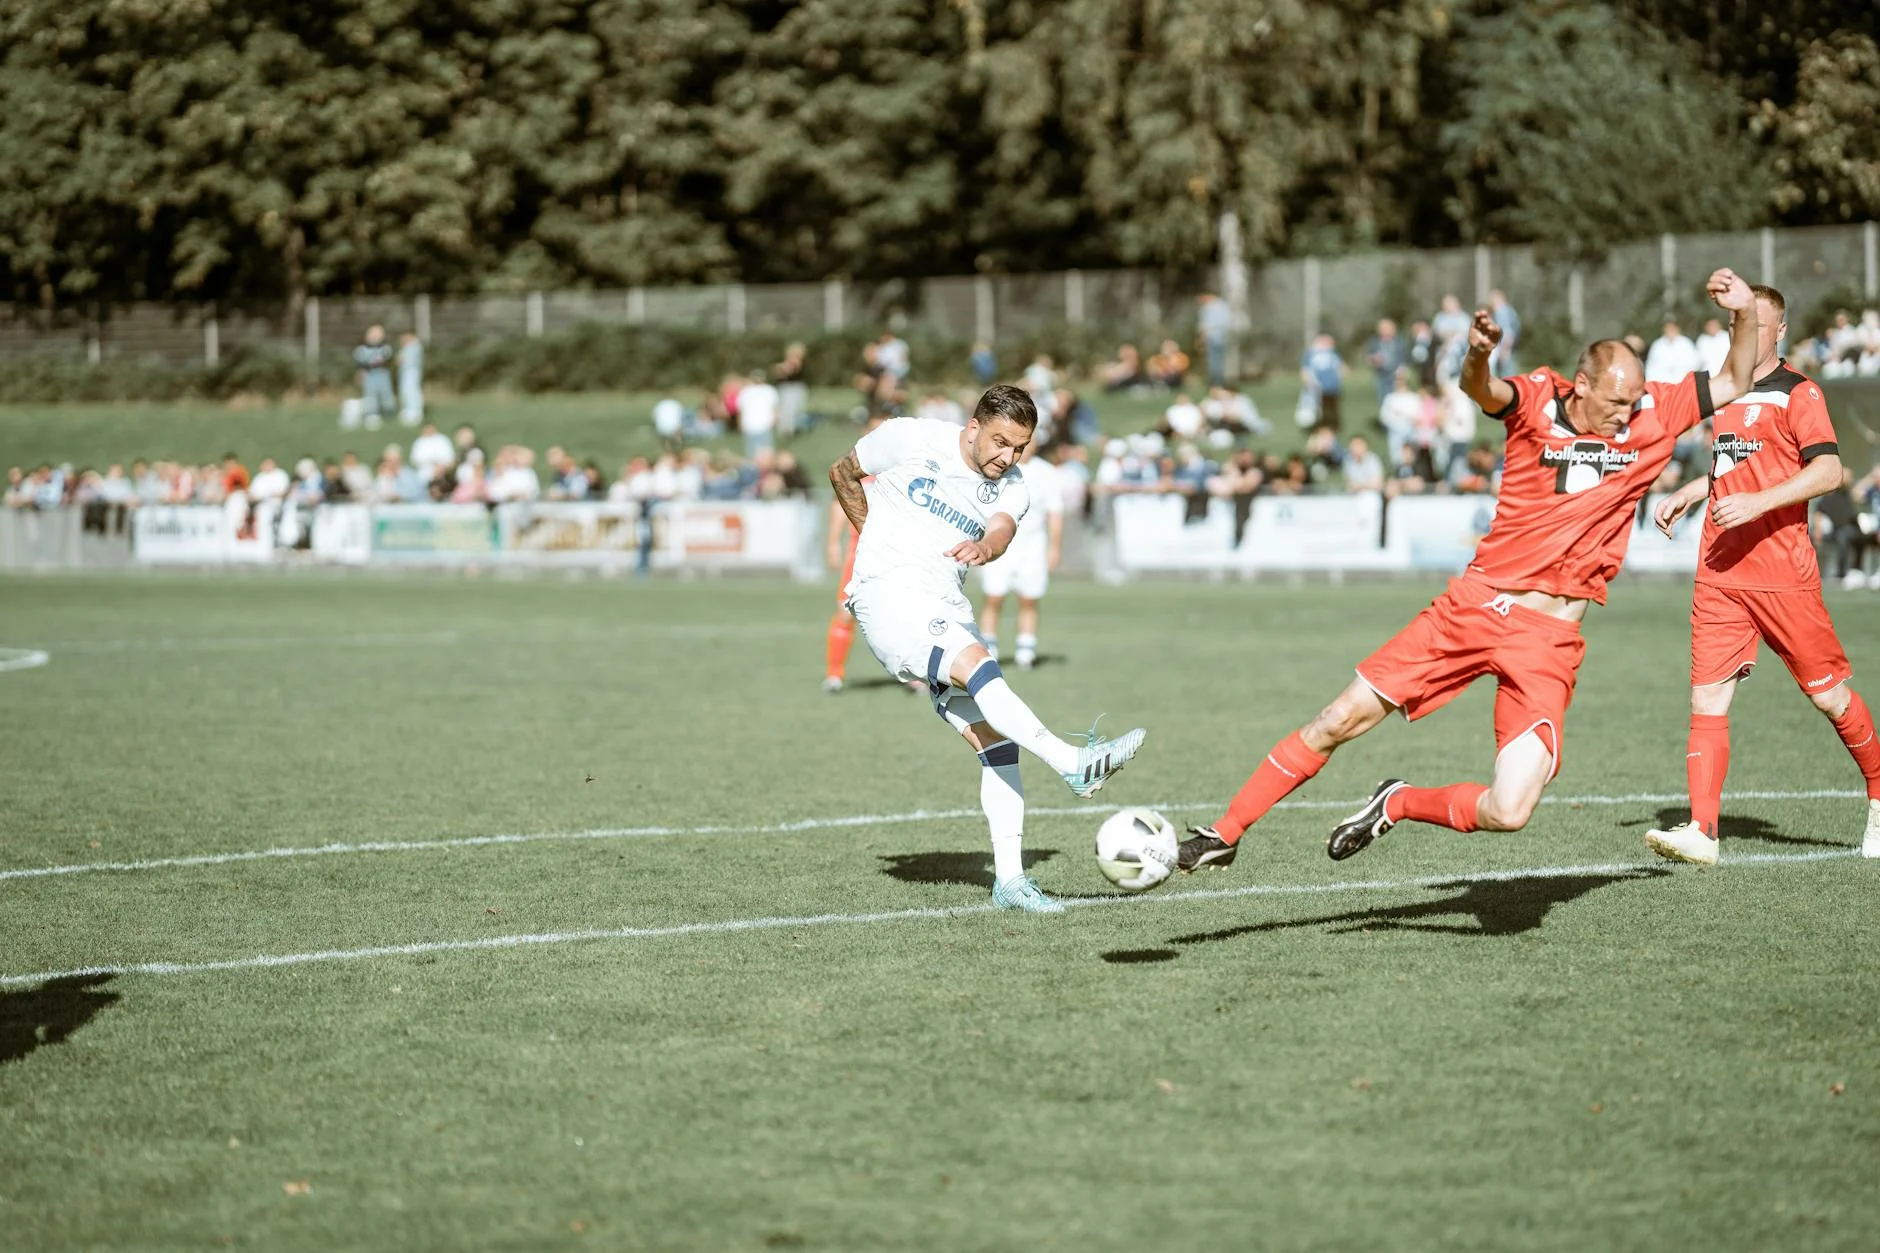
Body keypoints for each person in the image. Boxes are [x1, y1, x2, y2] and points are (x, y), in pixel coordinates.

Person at [1175, 269, 1760, 875]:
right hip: (1476, 607)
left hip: (1548, 642)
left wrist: (1741, 312)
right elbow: (1482, 391)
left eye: (1633, 399)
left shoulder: (1654, 410)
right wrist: (1478, 353)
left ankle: (1396, 803)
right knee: (1338, 718)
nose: (1626, 411)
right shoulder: (1536, 399)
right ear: (1581, 384)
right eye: (1614, 401)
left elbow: (1736, 378)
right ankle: (1225, 832)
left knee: (1509, 810)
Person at [827, 385, 1148, 912]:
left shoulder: (1014, 487)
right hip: (889, 599)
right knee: (979, 665)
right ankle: (1073, 762)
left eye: (1019, 447)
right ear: (973, 427)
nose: (1008, 457)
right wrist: (876, 537)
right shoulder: (908, 437)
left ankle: (1011, 882)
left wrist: (985, 547)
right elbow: (842, 471)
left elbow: (1000, 531)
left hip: (945, 606)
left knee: (998, 744)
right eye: (1000, 442)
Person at [1645, 285, 1880, 863]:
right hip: (1720, 572)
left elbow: (1828, 470)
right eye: (1736, 325)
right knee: (1706, 700)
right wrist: (1694, 491)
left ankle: (1879, 793)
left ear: (1780, 331)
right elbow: (1737, 467)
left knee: (1829, 699)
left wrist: (1758, 504)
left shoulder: (1800, 393)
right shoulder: (1724, 395)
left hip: (1782, 575)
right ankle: (1702, 830)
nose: (1746, 334)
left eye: (1758, 324)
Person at [978, 437, 1065, 671]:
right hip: (999, 543)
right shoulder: (997, 466)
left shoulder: (1046, 472)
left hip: (1032, 546)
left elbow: (1054, 513)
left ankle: (1026, 650)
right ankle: (988, 648)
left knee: (1029, 598)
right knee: (994, 596)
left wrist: (1055, 547)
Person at [1300, 334, 1345, 430]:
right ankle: (1320, 427)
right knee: (1318, 409)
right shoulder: (1310, 353)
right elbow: (1305, 370)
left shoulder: (1333, 353)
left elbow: (1340, 366)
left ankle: (1332, 427)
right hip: (1318, 387)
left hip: (1333, 386)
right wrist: (1308, 382)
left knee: (1333, 409)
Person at [353, 325, 396, 427]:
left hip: (382, 374)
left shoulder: (386, 349)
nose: (374, 337)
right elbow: (360, 363)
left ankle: (388, 412)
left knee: (386, 393)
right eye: (372, 335)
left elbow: (388, 360)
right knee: (370, 395)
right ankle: (371, 414)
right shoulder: (361, 350)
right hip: (369, 375)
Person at [1645, 320, 1701, 384]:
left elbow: (1695, 363)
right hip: (1662, 384)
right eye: (1668, 328)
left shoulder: (1686, 343)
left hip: (1683, 383)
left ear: (1677, 329)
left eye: (1672, 328)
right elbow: (1651, 366)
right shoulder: (1657, 345)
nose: (1670, 331)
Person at [1197, 292, 1233, 387]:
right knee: (1219, 360)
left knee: (1214, 361)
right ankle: (1219, 380)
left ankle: (1216, 382)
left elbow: (1204, 326)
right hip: (1222, 337)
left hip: (1213, 337)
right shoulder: (1224, 306)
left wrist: (1202, 338)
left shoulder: (1207, 308)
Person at [396, 331, 425, 425]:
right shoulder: (407, 347)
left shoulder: (415, 346)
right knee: (406, 391)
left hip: (411, 373)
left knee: (412, 391)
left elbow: (405, 360)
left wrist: (400, 359)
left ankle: (415, 411)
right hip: (405, 373)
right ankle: (408, 409)